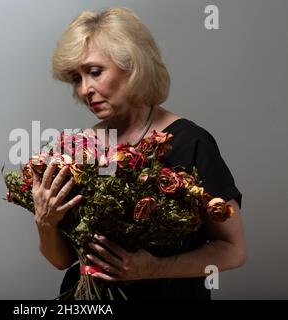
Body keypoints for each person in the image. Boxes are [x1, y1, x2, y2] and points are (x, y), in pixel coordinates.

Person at [31, 7, 246, 300]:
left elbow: (233, 250)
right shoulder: (79, 148)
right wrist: (46, 222)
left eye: (94, 72)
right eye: (76, 79)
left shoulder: (191, 141)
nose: (84, 90)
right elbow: (61, 261)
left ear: (133, 65)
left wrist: (155, 268)